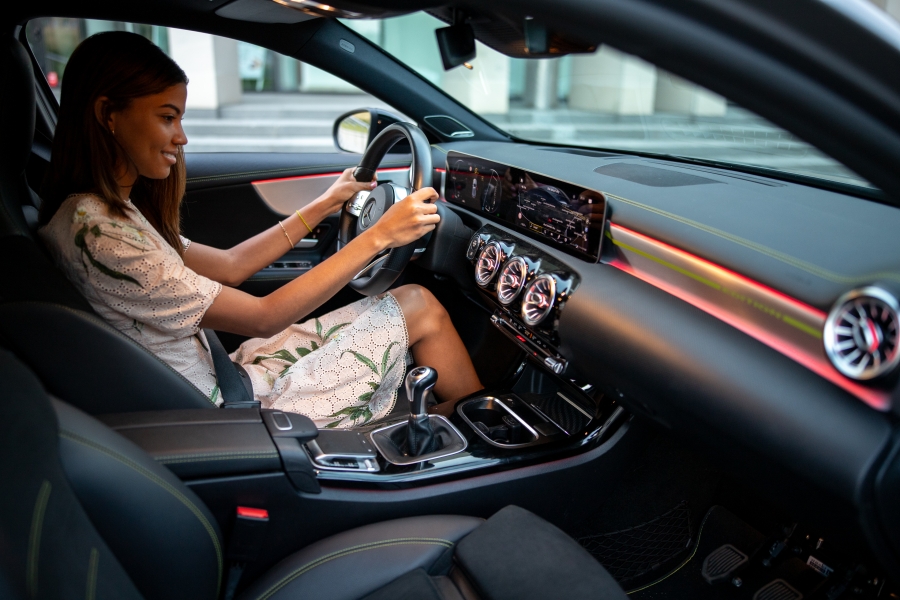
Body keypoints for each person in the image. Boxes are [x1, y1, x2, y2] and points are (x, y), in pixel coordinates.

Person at [39, 31, 482, 428]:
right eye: (167, 117)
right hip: (238, 412)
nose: (181, 137)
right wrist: (380, 236)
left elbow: (231, 266)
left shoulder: (100, 215)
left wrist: (327, 202)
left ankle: (465, 426)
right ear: (108, 114)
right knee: (420, 307)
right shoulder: (103, 237)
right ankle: (486, 436)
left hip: (227, 376)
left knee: (413, 301)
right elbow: (264, 316)